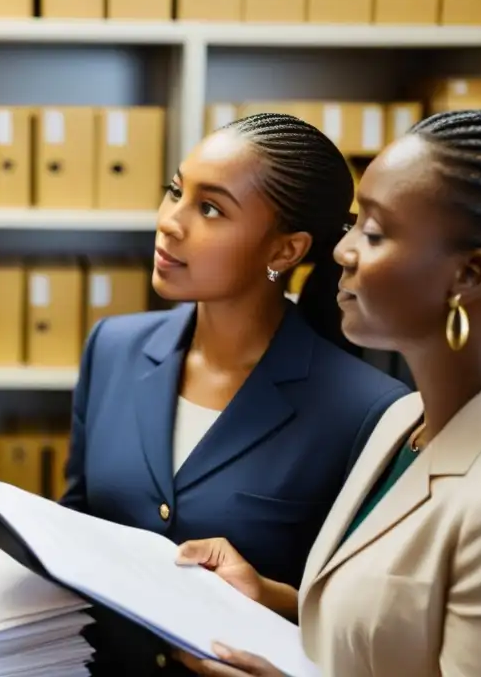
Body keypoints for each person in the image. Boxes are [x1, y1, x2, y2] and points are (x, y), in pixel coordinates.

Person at [177, 108, 481, 677]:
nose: (342, 252)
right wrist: (270, 598)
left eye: (375, 232)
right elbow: (394, 635)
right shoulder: (404, 420)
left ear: (470, 275)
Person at [60, 112, 410, 675]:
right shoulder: (114, 347)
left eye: (210, 209)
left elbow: (363, 620)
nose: (171, 222)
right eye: (176, 190)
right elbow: (76, 524)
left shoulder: (368, 410)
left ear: (284, 251)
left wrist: (270, 597)